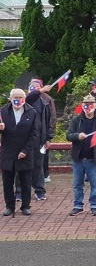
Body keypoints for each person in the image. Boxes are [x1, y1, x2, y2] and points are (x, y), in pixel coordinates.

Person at [65, 95, 96, 216]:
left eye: (90, 105)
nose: (88, 107)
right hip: (78, 158)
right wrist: (77, 136)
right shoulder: (76, 120)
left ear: (95, 106)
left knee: (94, 184)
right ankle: (78, 205)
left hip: (93, 158)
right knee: (77, 184)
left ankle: (94, 205)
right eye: (85, 105)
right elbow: (69, 135)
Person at [1, 89, 40, 217]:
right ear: (10, 98)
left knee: (25, 181)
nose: (18, 99)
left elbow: (34, 134)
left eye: (20, 97)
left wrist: (25, 150)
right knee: (7, 182)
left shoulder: (31, 112)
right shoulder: (3, 111)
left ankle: (25, 206)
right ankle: (9, 207)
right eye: (15, 97)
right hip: (8, 152)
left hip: (25, 151)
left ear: (24, 98)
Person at [19, 79, 56, 201]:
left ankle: (39, 191)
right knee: (20, 165)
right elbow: (29, 98)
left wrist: (48, 137)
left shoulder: (45, 101)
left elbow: (51, 119)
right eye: (31, 85)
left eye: (36, 86)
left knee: (38, 166)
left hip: (39, 138)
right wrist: (40, 90)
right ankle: (19, 192)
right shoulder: (23, 100)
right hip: (24, 139)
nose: (33, 87)